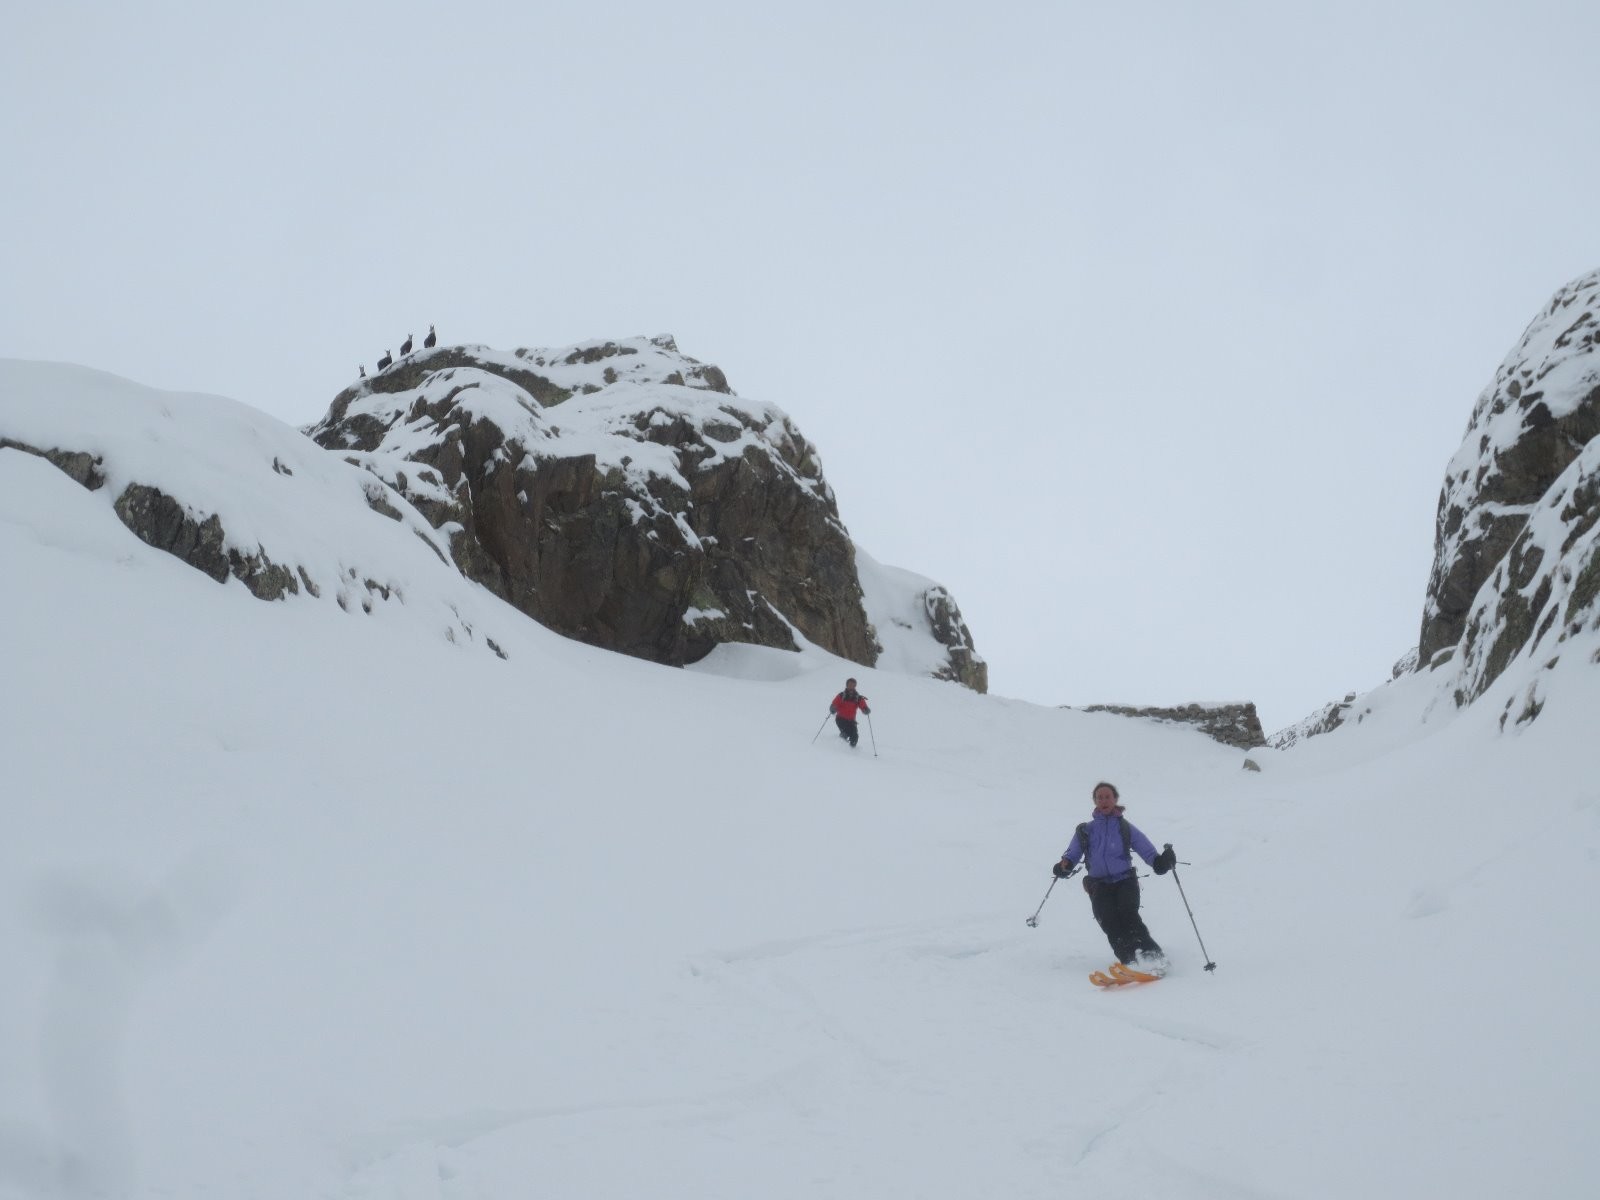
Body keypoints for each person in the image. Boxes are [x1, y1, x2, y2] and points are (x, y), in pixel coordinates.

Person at [1053, 781, 1176, 971]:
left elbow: (1147, 851)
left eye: (1107, 796)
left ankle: (1153, 956)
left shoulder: (1124, 827)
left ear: (1115, 799)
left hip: (1125, 880)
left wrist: (1161, 862)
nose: (1103, 800)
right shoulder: (1086, 830)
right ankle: (1131, 961)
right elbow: (1072, 855)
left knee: (1128, 914)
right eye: (1099, 797)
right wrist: (1065, 865)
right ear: (1094, 801)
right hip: (1098, 885)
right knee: (1109, 920)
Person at [829, 678, 871, 748]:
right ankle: (839, 748)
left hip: (851, 721)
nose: (851, 687)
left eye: (853, 685)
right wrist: (833, 708)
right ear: (847, 685)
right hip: (841, 719)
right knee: (846, 733)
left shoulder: (858, 697)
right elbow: (835, 703)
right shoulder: (841, 695)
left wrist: (865, 709)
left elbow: (863, 706)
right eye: (850, 685)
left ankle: (851, 751)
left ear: (855, 686)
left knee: (855, 737)